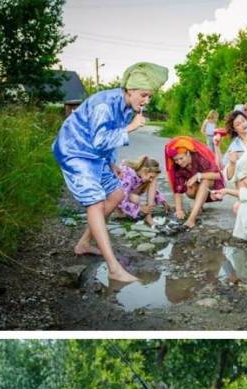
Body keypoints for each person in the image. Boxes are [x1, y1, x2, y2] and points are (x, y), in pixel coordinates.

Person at [53, 61, 168, 283]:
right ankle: (115, 268)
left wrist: (111, 162)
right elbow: (99, 140)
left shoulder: (126, 107)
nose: (146, 101)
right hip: (74, 151)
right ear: (130, 90)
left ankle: (84, 243)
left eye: (150, 97)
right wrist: (131, 128)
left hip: (95, 154)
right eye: (143, 95)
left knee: (116, 194)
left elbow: (106, 139)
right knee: (95, 202)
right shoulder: (105, 105)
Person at [164, 136, 224, 229]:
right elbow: (177, 189)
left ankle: (192, 219)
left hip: (213, 186)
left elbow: (218, 175)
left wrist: (198, 176)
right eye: (176, 160)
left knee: (205, 181)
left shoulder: (199, 157)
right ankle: (198, 206)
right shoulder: (178, 166)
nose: (179, 162)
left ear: (188, 153)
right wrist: (179, 210)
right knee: (188, 188)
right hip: (197, 190)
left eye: (181, 158)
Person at [118, 155, 170, 226]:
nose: (151, 179)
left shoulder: (140, 174)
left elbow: (154, 189)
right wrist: (140, 209)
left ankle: (148, 216)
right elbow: (120, 200)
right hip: (113, 197)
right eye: (150, 176)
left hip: (126, 195)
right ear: (144, 171)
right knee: (135, 199)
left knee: (152, 181)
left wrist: (162, 201)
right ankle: (118, 211)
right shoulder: (127, 176)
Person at [213, 110, 247, 185]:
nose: (243, 125)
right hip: (245, 183)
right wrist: (217, 146)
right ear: (234, 129)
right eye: (238, 124)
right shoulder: (235, 146)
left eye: (243, 121)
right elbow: (221, 167)